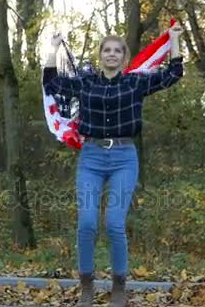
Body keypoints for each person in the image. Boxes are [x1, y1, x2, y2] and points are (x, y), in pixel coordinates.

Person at [42, 22, 183, 307]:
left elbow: (173, 74)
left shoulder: (135, 82)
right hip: (91, 158)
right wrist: (54, 48)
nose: (111, 54)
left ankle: (119, 286)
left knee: (115, 224)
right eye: (107, 50)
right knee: (87, 223)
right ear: (101, 55)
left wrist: (175, 40)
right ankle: (86, 286)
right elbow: (52, 83)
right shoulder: (87, 83)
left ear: (124, 57)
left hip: (123, 159)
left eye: (117, 50)